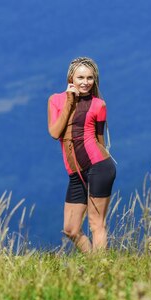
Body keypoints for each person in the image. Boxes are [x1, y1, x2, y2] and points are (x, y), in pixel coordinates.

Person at [47, 57, 116, 252]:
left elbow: (100, 140)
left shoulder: (98, 105)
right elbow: (54, 133)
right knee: (70, 229)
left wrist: (104, 166)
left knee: (96, 224)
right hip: (75, 174)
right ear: (71, 78)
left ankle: (101, 271)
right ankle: (96, 265)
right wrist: (69, 102)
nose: (85, 82)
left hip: (99, 167)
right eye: (80, 77)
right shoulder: (56, 100)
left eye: (90, 78)